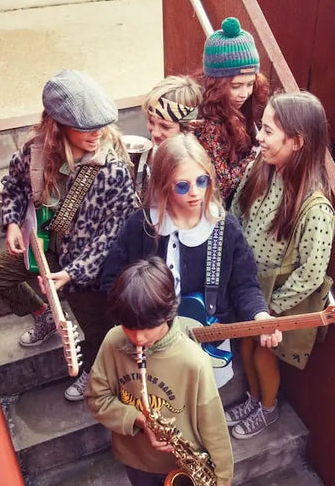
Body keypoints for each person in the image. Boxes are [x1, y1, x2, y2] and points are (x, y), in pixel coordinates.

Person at [0, 69, 138, 401]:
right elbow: (14, 186)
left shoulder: (112, 169)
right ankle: (45, 316)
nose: (97, 134)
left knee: (97, 331)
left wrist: (73, 273)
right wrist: (11, 222)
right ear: (58, 124)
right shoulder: (35, 152)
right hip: (44, 246)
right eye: (85, 127)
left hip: (83, 268)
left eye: (101, 125)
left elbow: (113, 234)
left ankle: (93, 369)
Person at [86, 257, 234, 486]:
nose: (137, 339)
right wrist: (138, 420)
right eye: (130, 328)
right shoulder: (114, 342)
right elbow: (96, 397)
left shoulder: (192, 361)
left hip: (185, 465)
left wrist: (222, 473)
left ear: (168, 315)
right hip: (135, 454)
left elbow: (213, 422)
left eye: (147, 329)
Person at [100, 132, 281, 388]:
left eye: (202, 181)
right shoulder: (141, 226)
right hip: (150, 347)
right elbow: (112, 283)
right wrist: (135, 327)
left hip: (204, 346)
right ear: (163, 185)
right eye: (182, 186)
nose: (195, 193)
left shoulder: (224, 227)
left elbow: (244, 285)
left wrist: (259, 315)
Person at [228, 91, 335, 439]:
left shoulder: (316, 206)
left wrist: (272, 308)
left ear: (297, 142)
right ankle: (253, 397)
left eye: (268, 131)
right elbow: (235, 214)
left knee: (263, 354)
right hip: (247, 285)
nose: (258, 136)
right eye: (261, 127)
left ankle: (268, 408)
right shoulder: (259, 168)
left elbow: (312, 272)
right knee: (244, 346)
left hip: (275, 298)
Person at [191, 17, 269, 207]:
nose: (245, 93)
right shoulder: (208, 123)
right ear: (215, 85)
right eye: (236, 86)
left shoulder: (244, 105)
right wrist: (256, 154)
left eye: (250, 84)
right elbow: (222, 184)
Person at [143, 74, 203, 149]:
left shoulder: (192, 159)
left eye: (165, 126)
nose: (155, 133)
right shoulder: (155, 147)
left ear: (189, 128)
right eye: (151, 122)